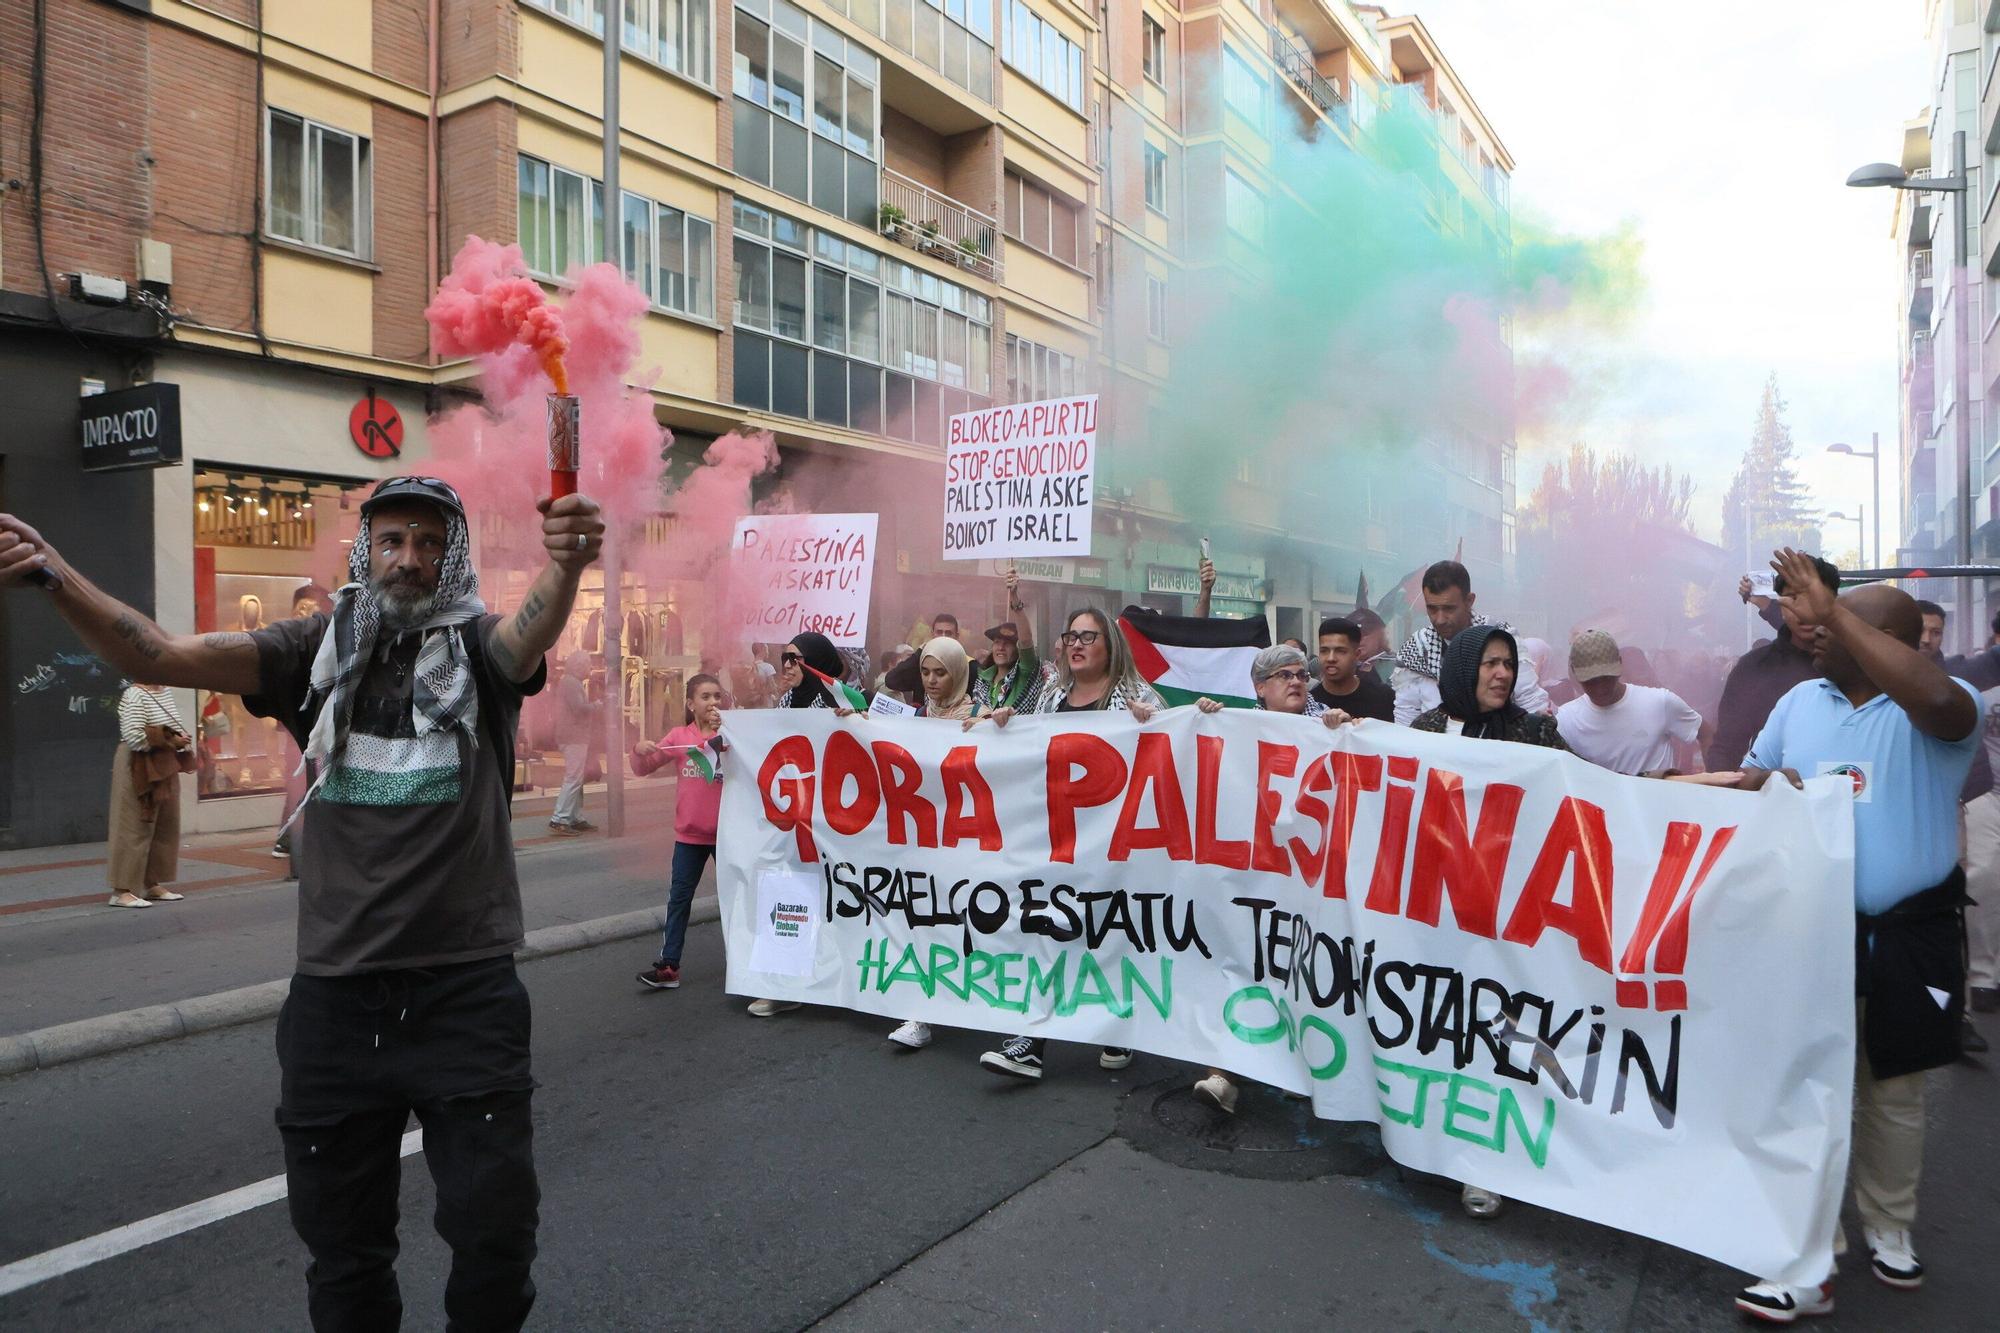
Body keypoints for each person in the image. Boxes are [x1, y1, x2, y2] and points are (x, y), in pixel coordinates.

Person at [2, 476, 603, 1331]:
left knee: (496, 1236)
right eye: (392, 540)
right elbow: (159, 657)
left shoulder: (477, 649)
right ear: (365, 551)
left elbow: (530, 626)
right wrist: (52, 573)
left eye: (430, 544)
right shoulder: (309, 650)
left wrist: (569, 562)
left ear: (451, 558)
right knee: (346, 1254)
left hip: (467, 995)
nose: (409, 559)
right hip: (336, 1005)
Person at [1730, 550, 1982, 1323]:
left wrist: (1831, 608)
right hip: (1811, 931)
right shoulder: (1801, 703)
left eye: (1832, 623)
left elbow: (1937, 696)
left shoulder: (1943, 705)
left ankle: (1889, 1225)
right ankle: (1813, 1250)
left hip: (1910, 935)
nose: (1809, 630)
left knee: (1894, 1087)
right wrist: (1766, 787)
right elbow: (1749, 780)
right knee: (1810, 1085)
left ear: (1882, 639)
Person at [1409, 623, 1565, 1220]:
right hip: (1432, 914)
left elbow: (1599, 792)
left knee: (1495, 1036)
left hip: (1503, 917)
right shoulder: (1423, 731)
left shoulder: (1533, 733)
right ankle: (1434, 1144)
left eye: (1510, 664)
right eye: (1490, 664)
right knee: (1441, 1030)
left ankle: (1486, 1163)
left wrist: (1706, 787)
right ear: (1463, 667)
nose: (1502, 674)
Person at [971, 608, 1162, 1080]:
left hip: (1114, 845)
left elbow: (1171, 751)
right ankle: (1032, 1041)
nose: (1076, 644)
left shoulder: (1135, 696)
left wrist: (1152, 723)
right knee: (1046, 930)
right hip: (1055, 838)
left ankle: (1118, 1027)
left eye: (1087, 636)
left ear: (1109, 645)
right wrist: (1006, 724)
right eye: (1070, 636)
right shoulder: (1052, 697)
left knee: (1107, 935)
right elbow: (1030, 752)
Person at [1192, 644, 1361, 1113]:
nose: (1296, 681)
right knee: (1244, 964)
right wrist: (1204, 717)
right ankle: (1223, 1074)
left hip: (1309, 877)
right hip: (1256, 874)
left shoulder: (1329, 723)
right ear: (1260, 688)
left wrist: (1343, 730)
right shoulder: (1237, 724)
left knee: (1301, 968)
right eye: (1283, 675)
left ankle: (1300, 1066)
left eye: (1301, 674)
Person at [880, 636, 978, 1051]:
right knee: (926, 922)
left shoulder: (976, 713)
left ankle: (978, 996)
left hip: (966, 842)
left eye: (941, 673)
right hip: (923, 840)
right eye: (925, 672)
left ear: (957, 673)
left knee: (965, 923)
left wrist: (995, 727)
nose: (932, 681)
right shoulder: (915, 715)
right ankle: (922, 1013)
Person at [633, 674, 728, 991]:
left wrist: (725, 733)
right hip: (689, 837)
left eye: (717, 696)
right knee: (679, 901)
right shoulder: (678, 737)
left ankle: (747, 965)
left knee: (735, 901)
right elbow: (642, 768)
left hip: (728, 836)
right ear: (690, 704)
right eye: (705, 697)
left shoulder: (732, 735)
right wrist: (639, 749)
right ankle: (669, 966)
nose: (712, 702)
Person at [1706, 560, 1837, 772]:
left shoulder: (1862, 666)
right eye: (1793, 598)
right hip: (1770, 799)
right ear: (1781, 605)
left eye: (1815, 597)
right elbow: (1726, 749)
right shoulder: (1753, 667)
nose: (1803, 609)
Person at [1391, 561, 1549, 725]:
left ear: (1469, 600)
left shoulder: (1501, 638)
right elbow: (1406, 715)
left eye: (1449, 608)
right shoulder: (1417, 649)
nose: (1440, 619)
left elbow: (1529, 699)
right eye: (1432, 609)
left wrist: (1539, 731)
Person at [1554, 630, 1705, 776]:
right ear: (1574, 673)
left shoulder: (1659, 702)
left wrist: (1718, 787)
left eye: (1606, 677)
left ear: (1620, 664)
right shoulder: (1566, 720)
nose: (1600, 688)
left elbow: (1705, 733)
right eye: (1591, 681)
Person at [107, 680, 191, 908]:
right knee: (133, 825)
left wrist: (178, 739)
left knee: (165, 823)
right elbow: (133, 736)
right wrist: (170, 739)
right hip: (138, 764)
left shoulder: (165, 691)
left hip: (163, 762)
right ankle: (121, 890)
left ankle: (150, 882)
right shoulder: (135, 694)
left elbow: (169, 726)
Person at [549, 649, 598, 836]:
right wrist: (597, 706)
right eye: (588, 663)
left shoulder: (572, 682)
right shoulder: (571, 683)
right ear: (578, 666)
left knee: (577, 777)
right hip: (573, 736)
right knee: (573, 777)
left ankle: (575, 817)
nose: (591, 667)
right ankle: (560, 818)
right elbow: (579, 708)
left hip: (574, 736)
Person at [1312, 616, 1395, 721]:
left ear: (1357, 654)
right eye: (1324, 651)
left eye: (1340, 651)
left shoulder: (1384, 698)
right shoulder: (1310, 702)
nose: (1331, 658)